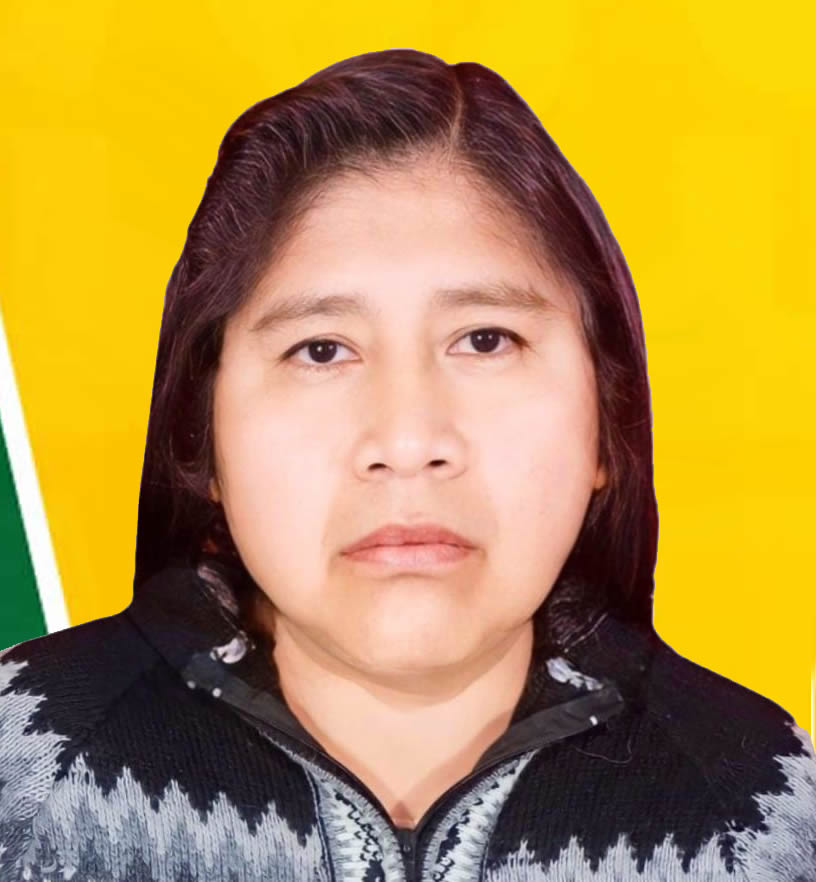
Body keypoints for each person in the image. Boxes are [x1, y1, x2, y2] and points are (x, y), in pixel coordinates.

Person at [1, 48, 814, 881]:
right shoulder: (24, 775)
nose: (406, 440)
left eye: (486, 340)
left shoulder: (758, 816)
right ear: (201, 435)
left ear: (607, 422)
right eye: (321, 350)